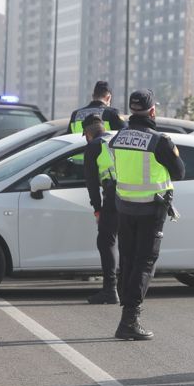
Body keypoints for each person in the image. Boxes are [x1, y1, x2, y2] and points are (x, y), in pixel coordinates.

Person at [108, 89, 185, 340]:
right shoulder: (159, 141)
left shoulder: (118, 138)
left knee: (128, 261)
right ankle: (130, 319)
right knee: (145, 263)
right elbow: (179, 172)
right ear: (152, 111)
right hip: (151, 208)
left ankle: (126, 316)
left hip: (124, 206)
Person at [82, 114, 120, 305]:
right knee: (129, 243)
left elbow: (91, 182)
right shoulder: (117, 139)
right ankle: (125, 287)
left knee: (106, 241)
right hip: (133, 195)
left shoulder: (93, 146)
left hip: (113, 197)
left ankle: (110, 290)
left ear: (87, 133)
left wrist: (97, 209)